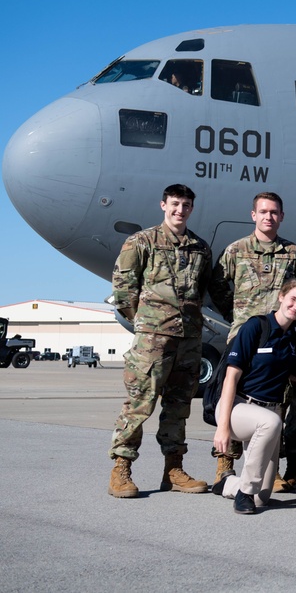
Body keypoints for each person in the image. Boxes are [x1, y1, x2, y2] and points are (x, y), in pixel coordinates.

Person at [108, 184, 213, 498]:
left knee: (179, 407)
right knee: (140, 403)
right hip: (153, 339)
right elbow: (124, 288)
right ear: (163, 205)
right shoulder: (142, 241)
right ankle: (121, 469)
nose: (180, 210)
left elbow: (203, 288)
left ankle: (173, 469)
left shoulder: (200, 248)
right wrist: (144, 322)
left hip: (189, 339)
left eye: (186, 205)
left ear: (192, 209)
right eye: (175, 204)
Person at [208, 192, 296, 488]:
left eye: (274, 212)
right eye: (263, 211)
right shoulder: (236, 250)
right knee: (235, 397)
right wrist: (236, 314)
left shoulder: (293, 253)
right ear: (253, 215)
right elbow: (217, 285)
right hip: (245, 337)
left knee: (276, 402)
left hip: (280, 341)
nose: (269, 216)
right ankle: (224, 464)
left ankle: (269, 467)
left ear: (282, 216)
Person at [211, 279, 296, 514]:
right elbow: (230, 378)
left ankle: (229, 484)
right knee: (272, 422)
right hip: (239, 407)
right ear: (281, 297)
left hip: (270, 411)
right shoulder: (256, 327)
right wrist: (223, 427)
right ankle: (244, 493)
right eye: (293, 299)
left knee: (262, 497)